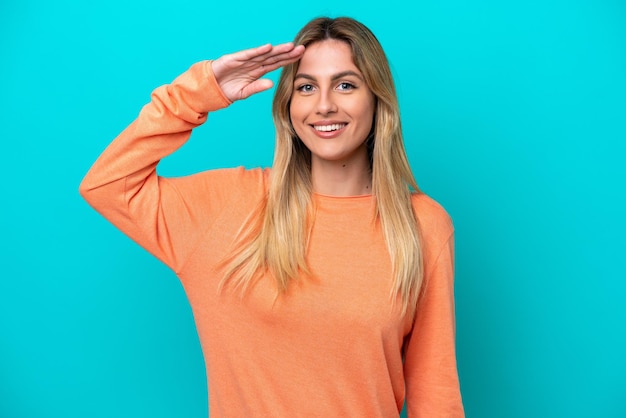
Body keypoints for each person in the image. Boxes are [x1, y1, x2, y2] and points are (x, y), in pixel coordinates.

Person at [80, 16, 464, 417]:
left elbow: (435, 395)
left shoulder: (421, 225)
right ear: (288, 105)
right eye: (306, 87)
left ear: (378, 100)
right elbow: (108, 185)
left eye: (346, 84)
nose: (324, 105)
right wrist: (199, 93)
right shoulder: (226, 206)